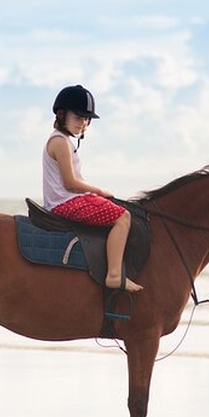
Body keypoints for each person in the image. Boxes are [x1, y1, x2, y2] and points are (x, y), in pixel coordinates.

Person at [42, 84, 143, 293]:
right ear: (61, 114)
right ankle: (114, 275)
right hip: (65, 202)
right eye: (79, 117)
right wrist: (99, 191)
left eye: (87, 119)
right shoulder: (60, 142)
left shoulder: (63, 140)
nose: (84, 123)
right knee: (123, 218)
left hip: (65, 199)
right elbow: (70, 183)